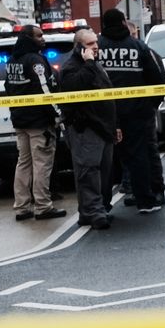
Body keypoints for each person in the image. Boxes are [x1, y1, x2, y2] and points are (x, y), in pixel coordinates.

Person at [97, 8, 165, 213]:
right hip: (137, 113)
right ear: (122, 23)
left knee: (105, 161)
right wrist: (150, 106)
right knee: (140, 157)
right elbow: (158, 81)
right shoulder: (138, 47)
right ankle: (145, 199)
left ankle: (102, 205)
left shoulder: (97, 49)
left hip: (106, 114)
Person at [59, 27, 119, 229]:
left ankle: (93, 210)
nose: (96, 47)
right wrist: (89, 63)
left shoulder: (95, 65)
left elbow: (107, 95)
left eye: (96, 43)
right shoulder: (72, 67)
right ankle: (94, 213)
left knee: (103, 172)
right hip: (85, 127)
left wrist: (114, 125)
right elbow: (75, 88)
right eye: (90, 44)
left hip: (104, 127)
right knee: (88, 172)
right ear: (79, 48)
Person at [5, 22, 64, 221]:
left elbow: (8, 87)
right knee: (42, 163)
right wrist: (57, 115)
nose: (43, 39)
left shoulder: (13, 60)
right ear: (30, 38)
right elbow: (45, 90)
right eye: (39, 36)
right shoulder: (35, 61)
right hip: (39, 122)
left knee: (23, 163)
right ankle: (42, 205)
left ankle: (21, 207)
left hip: (20, 120)